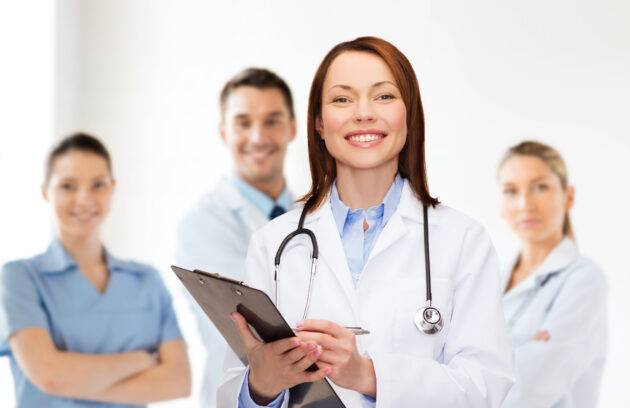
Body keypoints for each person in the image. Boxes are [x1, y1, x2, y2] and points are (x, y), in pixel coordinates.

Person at [218, 36, 514, 407]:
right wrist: (260, 387)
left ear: (410, 115)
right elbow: (231, 392)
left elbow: (486, 386)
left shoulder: (462, 239)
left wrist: (368, 375)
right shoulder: (272, 243)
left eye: (384, 96)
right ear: (319, 124)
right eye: (342, 99)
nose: (363, 113)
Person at [0, 133, 191, 407]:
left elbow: (178, 381)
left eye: (98, 185)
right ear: (45, 192)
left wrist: (69, 381)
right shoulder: (20, 278)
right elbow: (50, 376)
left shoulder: (147, 281)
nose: (84, 199)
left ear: (112, 188)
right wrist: (140, 360)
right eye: (68, 186)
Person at [175, 67, 297, 407]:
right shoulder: (202, 224)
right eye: (243, 122)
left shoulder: (315, 219)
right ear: (224, 131)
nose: (258, 137)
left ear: (293, 128)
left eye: (272, 121)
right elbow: (260, 318)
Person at [497, 141, 607, 407]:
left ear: (568, 196)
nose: (525, 204)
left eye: (540, 187)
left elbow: (531, 386)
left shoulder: (584, 280)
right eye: (511, 191)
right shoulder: (489, 278)